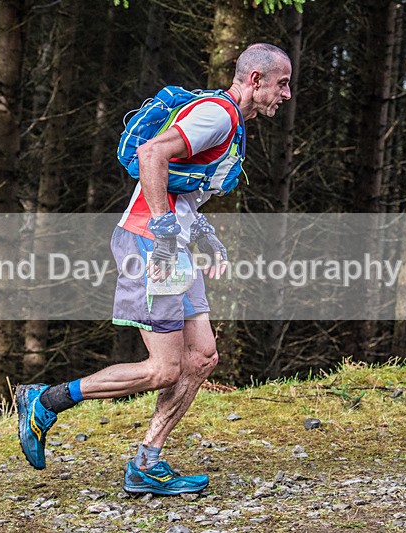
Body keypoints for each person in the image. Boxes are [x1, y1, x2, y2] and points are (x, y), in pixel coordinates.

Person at [16, 43, 292, 495]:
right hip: (150, 246)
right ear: (255, 79)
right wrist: (165, 235)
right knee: (164, 369)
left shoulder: (233, 122)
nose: (287, 94)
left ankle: (147, 461)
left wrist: (200, 232)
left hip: (173, 246)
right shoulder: (218, 115)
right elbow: (151, 155)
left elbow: (181, 182)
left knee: (201, 357)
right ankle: (45, 401)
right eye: (282, 83)